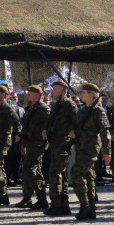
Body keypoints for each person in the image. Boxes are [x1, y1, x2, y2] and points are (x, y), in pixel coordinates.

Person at [69, 82, 111, 220]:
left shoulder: (99, 111)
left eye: (84, 92)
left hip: (91, 147)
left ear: (91, 95)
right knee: (88, 176)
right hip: (81, 146)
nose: (81, 94)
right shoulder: (81, 110)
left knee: (75, 172)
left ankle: (84, 203)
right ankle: (90, 207)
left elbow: (105, 132)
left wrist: (107, 152)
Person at [43, 80, 78, 216]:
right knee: (61, 176)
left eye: (55, 89)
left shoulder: (69, 105)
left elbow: (77, 123)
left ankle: (56, 205)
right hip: (55, 143)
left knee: (55, 174)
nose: (52, 92)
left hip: (63, 144)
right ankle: (64, 205)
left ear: (62, 90)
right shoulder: (57, 104)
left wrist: (72, 135)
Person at [14, 84, 50, 210]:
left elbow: (48, 126)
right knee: (36, 172)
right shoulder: (32, 108)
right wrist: (21, 138)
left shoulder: (43, 108)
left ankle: (28, 198)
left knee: (29, 169)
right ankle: (41, 199)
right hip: (30, 143)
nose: (28, 95)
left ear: (37, 95)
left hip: (38, 144)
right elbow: (26, 125)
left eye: (30, 93)